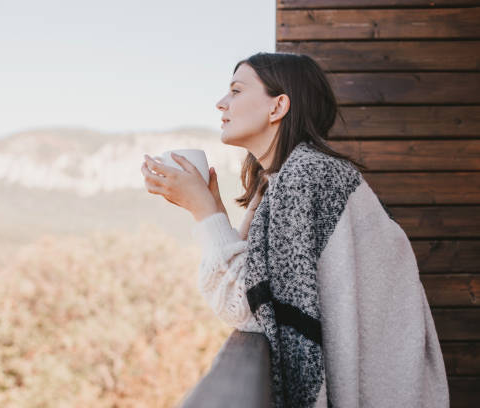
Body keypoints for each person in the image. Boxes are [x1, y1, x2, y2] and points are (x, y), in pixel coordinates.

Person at [140, 52, 449, 407]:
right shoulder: (292, 179)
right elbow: (267, 291)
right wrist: (216, 211)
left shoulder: (305, 177)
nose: (221, 103)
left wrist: (204, 212)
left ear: (278, 107)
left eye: (236, 91)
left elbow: (248, 308)